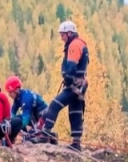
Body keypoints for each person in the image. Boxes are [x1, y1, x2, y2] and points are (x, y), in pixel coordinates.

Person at [37, 20, 89, 152]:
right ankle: (76, 143)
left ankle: (45, 133)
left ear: (69, 33)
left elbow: (71, 66)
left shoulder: (74, 45)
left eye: (63, 35)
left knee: (54, 105)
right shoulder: (80, 44)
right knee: (75, 112)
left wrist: (68, 79)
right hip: (81, 86)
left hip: (74, 85)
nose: (62, 38)